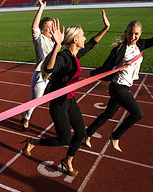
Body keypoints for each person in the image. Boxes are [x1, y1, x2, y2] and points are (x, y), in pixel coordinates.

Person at [22, 10, 110, 176]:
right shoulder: (63, 56)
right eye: (82, 36)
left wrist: (105, 28)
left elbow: (91, 44)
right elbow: (49, 68)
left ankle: (68, 160)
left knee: (81, 133)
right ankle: (32, 142)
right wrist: (56, 46)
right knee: (64, 140)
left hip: (70, 101)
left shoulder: (75, 54)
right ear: (75, 40)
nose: (85, 38)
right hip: (59, 103)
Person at [85, 2, 153, 152]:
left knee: (108, 114)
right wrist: (96, 73)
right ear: (126, 32)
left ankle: (87, 133)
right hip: (117, 87)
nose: (133, 36)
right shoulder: (119, 50)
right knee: (137, 114)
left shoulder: (140, 45)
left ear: (140, 34)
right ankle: (115, 136)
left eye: (136, 34)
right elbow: (105, 68)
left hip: (126, 86)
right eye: (130, 33)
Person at [20, 0, 54, 132]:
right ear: (42, 29)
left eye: (53, 26)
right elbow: (34, 27)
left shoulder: (54, 42)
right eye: (48, 27)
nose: (51, 29)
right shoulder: (39, 39)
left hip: (52, 76)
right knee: (35, 101)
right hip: (40, 76)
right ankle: (26, 118)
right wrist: (41, 8)